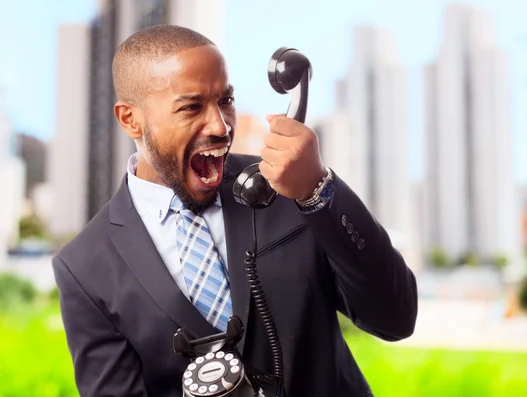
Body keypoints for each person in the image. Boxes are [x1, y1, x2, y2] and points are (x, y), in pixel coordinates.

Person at [52, 24, 418, 397]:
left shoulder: (290, 185)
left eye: (225, 101)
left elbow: (396, 318)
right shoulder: (83, 266)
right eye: (191, 107)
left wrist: (318, 191)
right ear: (130, 118)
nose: (221, 125)